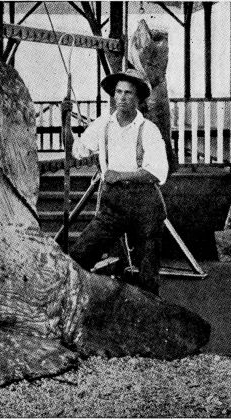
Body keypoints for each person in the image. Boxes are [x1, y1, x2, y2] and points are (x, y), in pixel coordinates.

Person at [70, 68, 168, 295]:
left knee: (148, 275)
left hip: (145, 205)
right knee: (79, 255)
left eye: (129, 93)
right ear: (114, 95)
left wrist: (119, 175)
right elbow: (78, 151)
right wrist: (67, 124)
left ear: (138, 98)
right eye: (119, 92)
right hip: (112, 205)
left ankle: (149, 319)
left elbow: (158, 172)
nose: (122, 97)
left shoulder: (149, 130)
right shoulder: (103, 124)